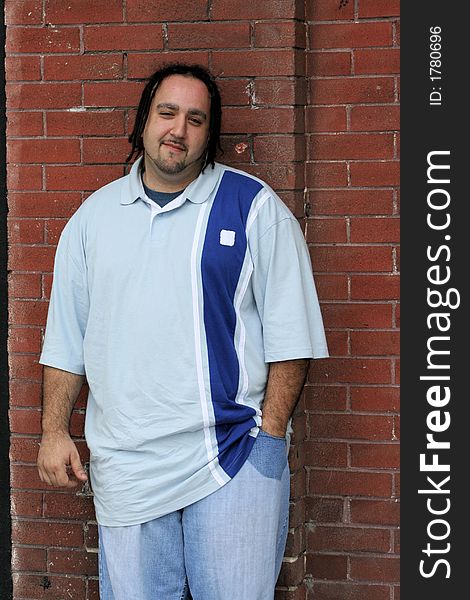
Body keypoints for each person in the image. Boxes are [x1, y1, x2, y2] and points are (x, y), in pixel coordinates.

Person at [37, 63, 328, 600]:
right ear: (144, 122)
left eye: (196, 119)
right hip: (127, 466)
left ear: (209, 132)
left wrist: (269, 438)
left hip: (232, 457)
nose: (179, 129)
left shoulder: (254, 209)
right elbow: (65, 339)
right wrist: (54, 431)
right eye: (167, 113)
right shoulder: (93, 219)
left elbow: (294, 335)